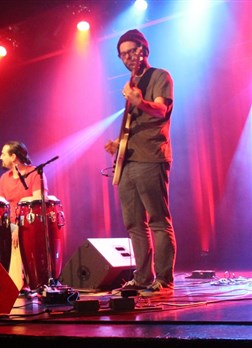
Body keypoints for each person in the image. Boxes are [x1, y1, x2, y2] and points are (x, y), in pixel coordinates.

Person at [104, 29, 176, 293]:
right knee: (134, 223)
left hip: (150, 157)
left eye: (132, 51)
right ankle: (143, 277)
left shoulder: (160, 76)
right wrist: (118, 144)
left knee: (157, 219)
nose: (128, 57)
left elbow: (160, 110)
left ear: (144, 50)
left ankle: (164, 278)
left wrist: (140, 101)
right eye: (123, 54)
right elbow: (132, 124)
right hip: (129, 161)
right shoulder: (130, 83)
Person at [0, 141, 45, 290]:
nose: (0, 157)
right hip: (10, 224)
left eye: (3, 154)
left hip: (29, 223)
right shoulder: (4, 178)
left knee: (16, 234)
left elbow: (38, 204)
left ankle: (16, 286)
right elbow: (2, 207)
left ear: (13, 157)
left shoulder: (35, 174)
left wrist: (18, 226)